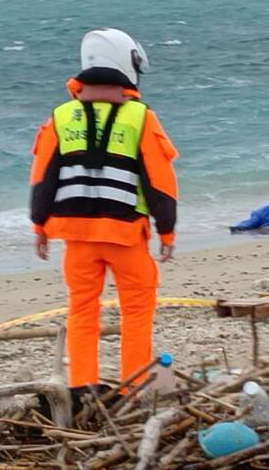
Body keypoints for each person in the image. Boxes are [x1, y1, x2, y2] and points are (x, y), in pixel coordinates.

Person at [29, 28, 178, 394]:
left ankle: (82, 388)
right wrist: (167, 230)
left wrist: (39, 226)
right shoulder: (141, 118)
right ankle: (132, 388)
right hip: (125, 236)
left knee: (81, 310)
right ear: (126, 65)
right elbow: (159, 181)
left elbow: (43, 176)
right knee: (137, 312)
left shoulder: (60, 117)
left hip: (76, 239)